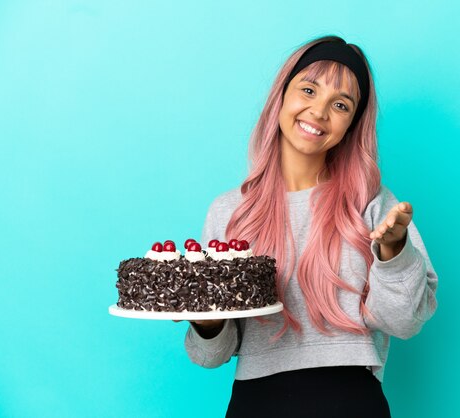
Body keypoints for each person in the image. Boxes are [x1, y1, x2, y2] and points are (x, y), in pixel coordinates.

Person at [181, 35, 438, 417]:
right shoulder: (229, 212)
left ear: (352, 124)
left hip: (351, 401)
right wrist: (207, 321)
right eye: (308, 89)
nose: (319, 112)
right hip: (256, 402)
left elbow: (404, 323)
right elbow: (210, 356)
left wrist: (394, 253)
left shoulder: (370, 202)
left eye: (340, 104)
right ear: (282, 95)